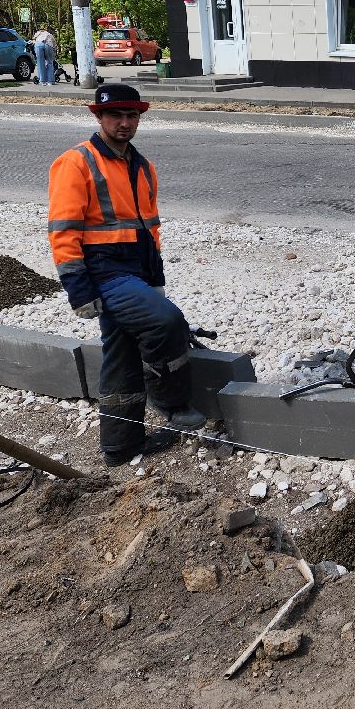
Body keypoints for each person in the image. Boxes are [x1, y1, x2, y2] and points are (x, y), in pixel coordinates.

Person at [47, 83, 206, 465]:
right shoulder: (76, 162)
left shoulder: (143, 167)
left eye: (131, 115)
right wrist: (79, 291)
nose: (123, 122)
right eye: (115, 115)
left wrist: (156, 281)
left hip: (135, 271)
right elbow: (63, 231)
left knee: (119, 354)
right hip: (103, 272)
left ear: (139, 118)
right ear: (98, 117)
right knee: (167, 322)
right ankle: (169, 401)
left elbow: (150, 230)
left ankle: (120, 447)